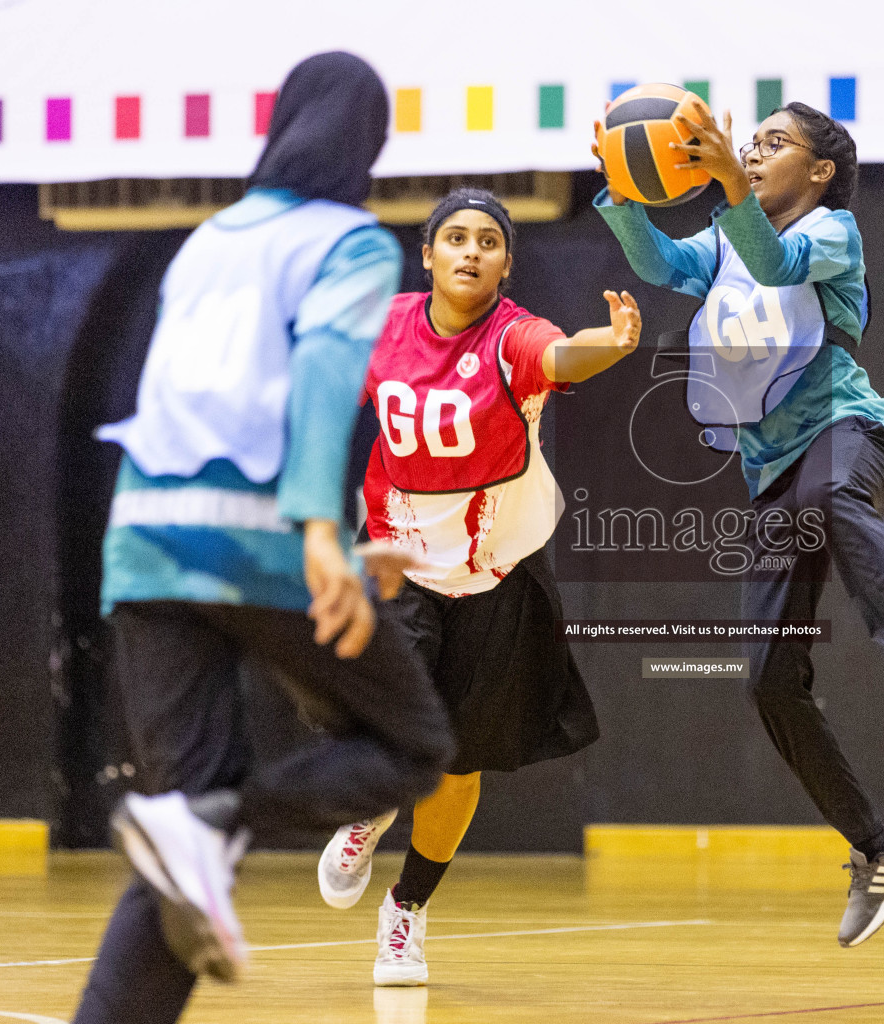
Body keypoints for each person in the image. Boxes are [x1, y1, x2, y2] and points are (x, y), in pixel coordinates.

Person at [71, 53, 454, 1024]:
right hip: (256, 541)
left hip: (144, 546)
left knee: (183, 876)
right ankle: (210, 821)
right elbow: (325, 378)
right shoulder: (353, 243)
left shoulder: (207, 238)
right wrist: (321, 530)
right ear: (367, 142)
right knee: (414, 746)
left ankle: (195, 829)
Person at [592, 100, 884, 947]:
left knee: (831, 496)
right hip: (772, 468)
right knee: (768, 678)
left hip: (849, 431)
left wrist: (729, 180)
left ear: (820, 171)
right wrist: (623, 192)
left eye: (774, 144)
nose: (757, 153)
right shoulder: (726, 238)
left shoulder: (835, 232)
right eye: (753, 141)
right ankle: (879, 850)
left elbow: (775, 266)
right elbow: (660, 261)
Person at [316, 188, 641, 985]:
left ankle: (407, 911)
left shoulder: (514, 337)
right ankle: (369, 808)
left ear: (504, 263)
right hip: (402, 562)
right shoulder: (384, 330)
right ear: (426, 254)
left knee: (461, 764)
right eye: (453, 238)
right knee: (396, 726)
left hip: (498, 568)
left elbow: (565, 357)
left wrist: (616, 342)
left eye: (487, 240)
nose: (469, 251)